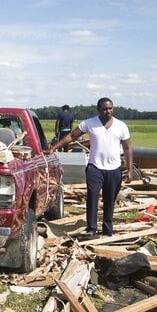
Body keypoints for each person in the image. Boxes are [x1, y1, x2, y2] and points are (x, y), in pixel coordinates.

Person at [49, 97, 132, 236]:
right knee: (93, 197)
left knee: (110, 200)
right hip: (95, 167)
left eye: (110, 108)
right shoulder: (90, 123)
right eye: (105, 109)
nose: (108, 111)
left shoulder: (121, 126)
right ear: (99, 109)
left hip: (114, 169)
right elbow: (72, 136)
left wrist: (129, 170)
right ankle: (91, 228)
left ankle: (107, 229)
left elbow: (128, 148)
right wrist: (53, 148)